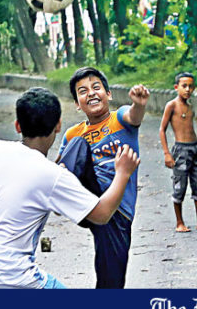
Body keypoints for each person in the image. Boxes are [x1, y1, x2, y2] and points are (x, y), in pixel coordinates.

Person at [0, 87, 140, 289]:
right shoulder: (52, 175)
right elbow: (102, 214)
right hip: (12, 280)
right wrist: (122, 173)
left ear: (17, 126)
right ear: (58, 126)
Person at [55, 67, 150, 288]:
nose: (91, 93)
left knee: (110, 276)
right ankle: (60, 199)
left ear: (108, 94)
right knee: (77, 144)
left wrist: (139, 104)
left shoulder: (119, 119)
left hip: (118, 211)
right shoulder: (73, 134)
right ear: (78, 104)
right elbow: (59, 165)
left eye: (96, 87)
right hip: (87, 200)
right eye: (83, 91)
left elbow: (133, 116)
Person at [159, 72, 197, 232]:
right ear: (176, 87)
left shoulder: (190, 106)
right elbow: (162, 129)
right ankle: (179, 222)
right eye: (184, 86)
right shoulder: (172, 105)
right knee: (179, 187)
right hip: (181, 150)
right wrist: (167, 153)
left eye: (190, 86)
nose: (187, 89)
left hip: (195, 148)